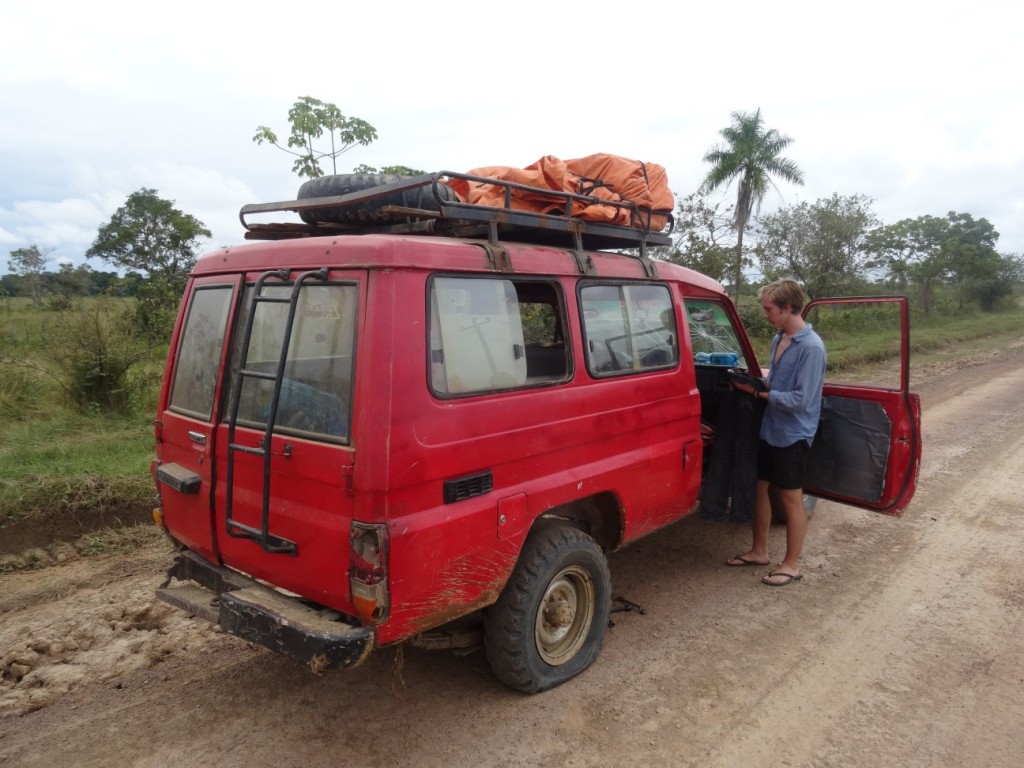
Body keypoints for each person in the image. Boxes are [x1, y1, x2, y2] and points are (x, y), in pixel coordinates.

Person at [725, 279, 826, 586]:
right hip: (771, 427)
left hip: (793, 433)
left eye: (769, 309)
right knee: (761, 489)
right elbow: (777, 384)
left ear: (788, 307)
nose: (765, 314)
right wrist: (755, 384)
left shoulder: (811, 347)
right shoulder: (779, 338)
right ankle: (759, 550)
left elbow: (801, 399)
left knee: (791, 498)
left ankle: (792, 564)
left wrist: (759, 396)